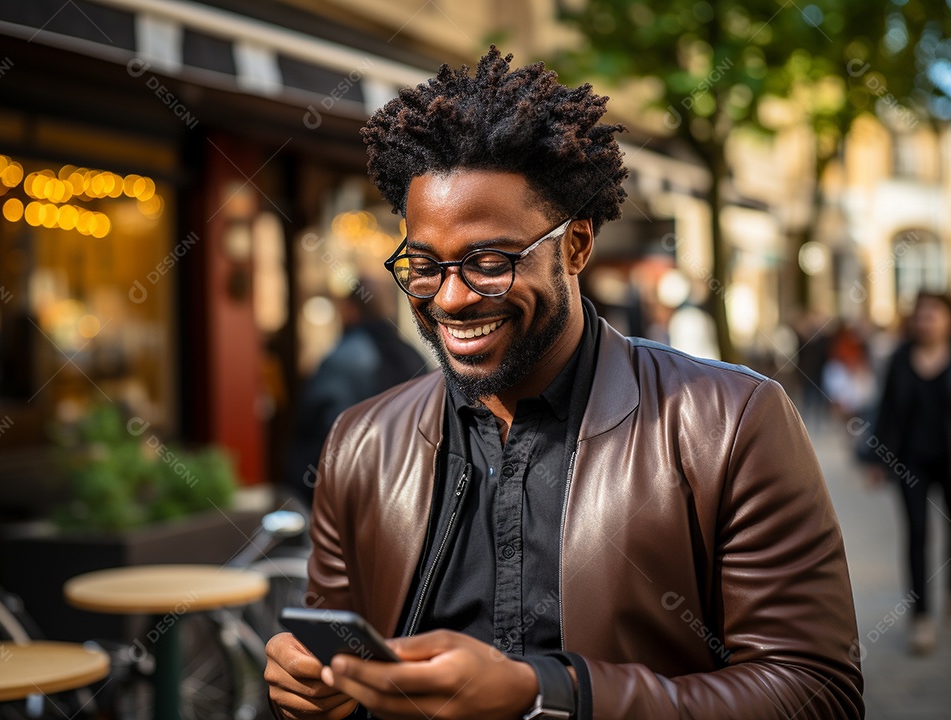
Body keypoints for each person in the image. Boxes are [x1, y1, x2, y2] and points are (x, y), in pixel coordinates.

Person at [265, 47, 863, 720]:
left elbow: (818, 695)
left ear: (575, 247)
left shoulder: (731, 421)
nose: (452, 298)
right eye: (424, 265)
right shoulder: (360, 443)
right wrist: (310, 693)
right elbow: (332, 656)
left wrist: (550, 694)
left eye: (489, 261)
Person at [868, 291, 951, 654]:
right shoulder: (900, 359)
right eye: (921, 315)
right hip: (911, 461)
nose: (925, 321)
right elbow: (886, 409)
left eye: (933, 315)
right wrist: (877, 459)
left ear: (949, 319)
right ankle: (921, 618)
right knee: (917, 533)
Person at [286, 279, 427, 507]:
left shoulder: (346, 358)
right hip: (410, 492)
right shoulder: (411, 354)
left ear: (351, 309)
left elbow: (329, 432)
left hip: (356, 498)